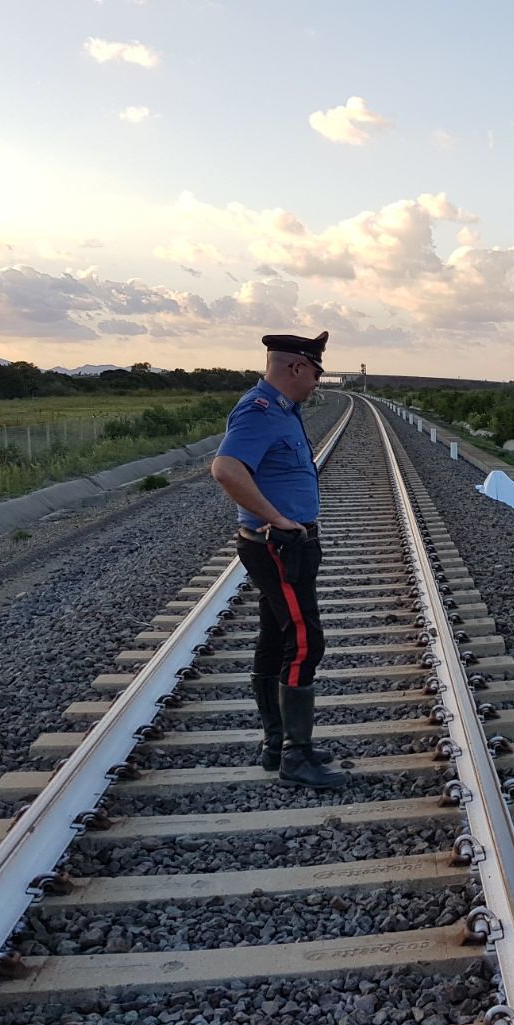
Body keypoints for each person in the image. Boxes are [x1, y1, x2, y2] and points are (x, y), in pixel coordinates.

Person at [209, 331, 347, 789]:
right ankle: (297, 756)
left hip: (284, 543)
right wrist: (277, 520)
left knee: (275, 637)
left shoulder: (283, 411)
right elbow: (226, 469)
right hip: (277, 545)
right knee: (306, 640)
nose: (317, 382)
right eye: (315, 372)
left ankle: (277, 744)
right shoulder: (260, 410)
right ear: (295, 367)